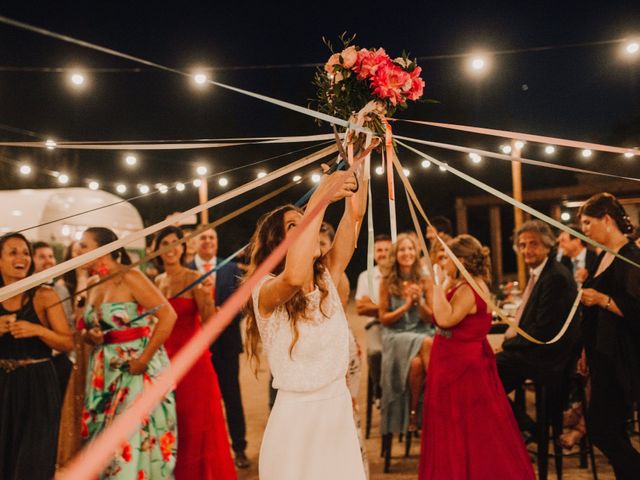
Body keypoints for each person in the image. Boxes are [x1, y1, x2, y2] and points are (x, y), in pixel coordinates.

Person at [245, 166, 366, 480]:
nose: (308, 228)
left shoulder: (328, 276)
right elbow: (295, 276)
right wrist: (320, 200)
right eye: (294, 226)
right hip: (297, 422)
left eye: (307, 222)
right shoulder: (266, 291)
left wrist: (358, 158)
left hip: (336, 413)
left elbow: (354, 216)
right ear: (277, 245)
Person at [419, 234, 535, 480]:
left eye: (446, 258)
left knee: (461, 426)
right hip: (456, 358)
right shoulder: (469, 283)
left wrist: (436, 285)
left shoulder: (469, 288)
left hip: (459, 365)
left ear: (460, 259)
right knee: (466, 426)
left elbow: (445, 319)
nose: (443, 262)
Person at [79, 227, 177, 479]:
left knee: (131, 439)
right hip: (104, 370)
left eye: (84, 246)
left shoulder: (131, 277)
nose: (78, 252)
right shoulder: (91, 284)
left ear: (103, 250)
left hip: (134, 368)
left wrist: (144, 360)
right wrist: (92, 335)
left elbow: (167, 316)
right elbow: (85, 329)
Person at [153, 226, 237, 480]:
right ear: (157, 249)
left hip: (193, 365)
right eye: (165, 242)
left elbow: (211, 322)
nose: (171, 247)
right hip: (165, 364)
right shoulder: (157, 281)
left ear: (183, 247)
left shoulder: (193, 277)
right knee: (173, 422)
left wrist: (208, 294)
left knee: (195, 425)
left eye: (176, 242)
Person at [0, 232, 73, 480]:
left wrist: (38, 330)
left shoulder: (44, 294)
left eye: (25, 252)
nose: (22, 258)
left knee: (34, 459)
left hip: (38, 384)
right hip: (3, 385)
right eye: (13, 252)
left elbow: (68, 342)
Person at [497, 220, 579, 437]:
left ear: (548, 246)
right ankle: (522, 429)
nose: (526, 250)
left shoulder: (555, 277)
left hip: (549, 358)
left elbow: (542, 331)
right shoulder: (543, 273)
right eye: (522, 245)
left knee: (482, 377)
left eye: (533, 244)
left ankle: (530, 428)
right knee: (484, 377)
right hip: (538, 353)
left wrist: (507, 344)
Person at [578, 193, 640, 478]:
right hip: (600, 354)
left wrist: (601, 299)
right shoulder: (603, 256)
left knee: (604, 428)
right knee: (604, 428)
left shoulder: (630, 256)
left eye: (588, 223)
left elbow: (635, 308)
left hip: (621, 357)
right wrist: (584, 351)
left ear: (607, 219)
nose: (583, 230)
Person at [186, 228, 250, 469]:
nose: (208, 241)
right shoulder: (186, 270)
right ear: (195, 242)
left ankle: (240, 448)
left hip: (226, 344)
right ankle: (203, 452)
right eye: (203, 237)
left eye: (212, 237)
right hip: (196, 346)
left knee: (232, 396)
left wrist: (226, 314)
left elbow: (243, 304)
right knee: (200, 401)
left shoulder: (230, 268)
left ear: (217, 241)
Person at [378, 233, 434, 434]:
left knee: (418, 364)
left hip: (422, 329)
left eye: (410, 248)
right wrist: (406, 306)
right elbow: (384, 318)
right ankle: (437, 403)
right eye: (402, 249)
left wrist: (419, 303)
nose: (407, 253)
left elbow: (431, 319)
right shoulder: (387, 282)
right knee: (428, 342)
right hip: (396, 335)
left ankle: (413, 414)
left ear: (416, 252)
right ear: (396, 254)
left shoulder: (425, 280)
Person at [32, 241, 75, 398]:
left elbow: (69, 324)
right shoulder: (22, 292)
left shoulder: (61, 289)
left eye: (50, 256)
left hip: (59, 357)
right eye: (42, 257)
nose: (48, 261)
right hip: (36, 360)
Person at [355, 234, 392, 404]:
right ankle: (379, 388)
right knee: (375, 352)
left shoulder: (398, 273)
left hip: (396, 323)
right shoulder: (365, 276)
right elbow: (360, 308)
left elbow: (367, 306)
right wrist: (387, 307)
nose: (383, 253)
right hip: (374, 325)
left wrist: (374, 305)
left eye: (386, 249)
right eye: (379, 250)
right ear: (374, 253)